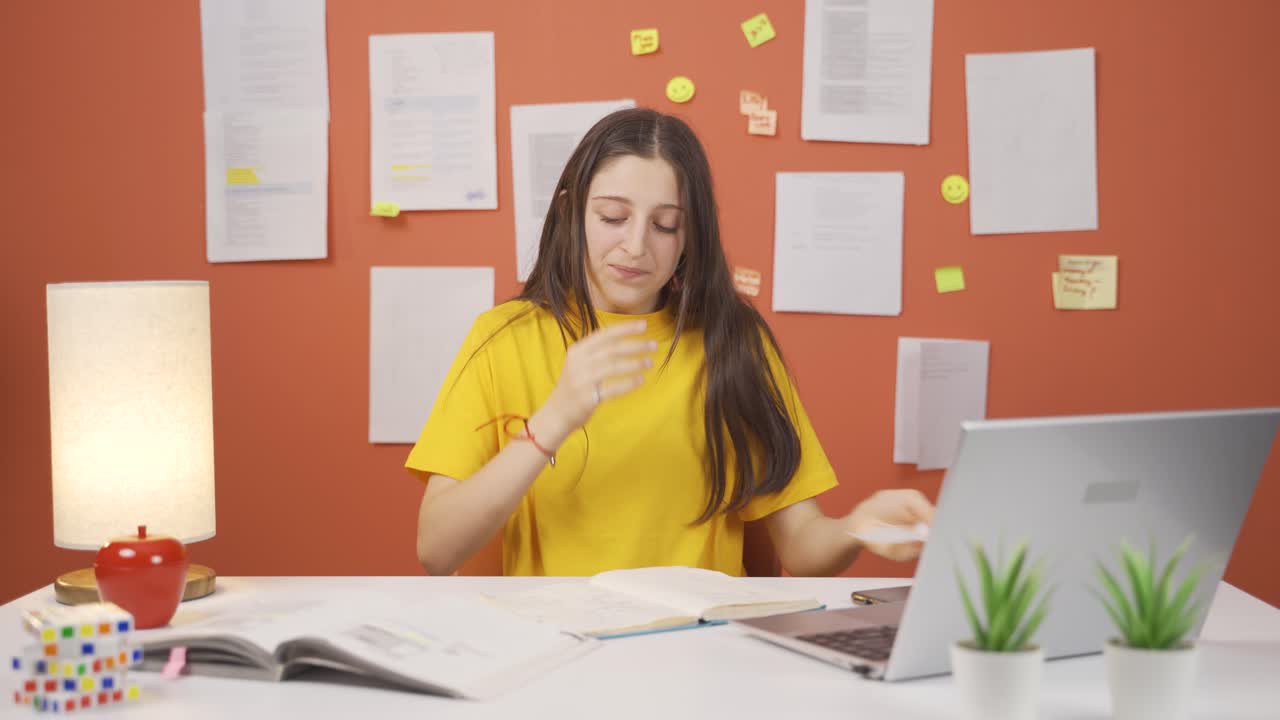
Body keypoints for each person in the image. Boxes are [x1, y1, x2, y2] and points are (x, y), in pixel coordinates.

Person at [406, 108, 933, 577]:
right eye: (612, 217)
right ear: (569, 213)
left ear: (689, 238)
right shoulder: (503, 338)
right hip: (555, 651)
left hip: (701, 653)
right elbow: (437, 549)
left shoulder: (734, 344)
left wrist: (857, 528)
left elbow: (801, 547)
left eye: (665, 225)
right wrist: (554, 420)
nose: (635, 246)